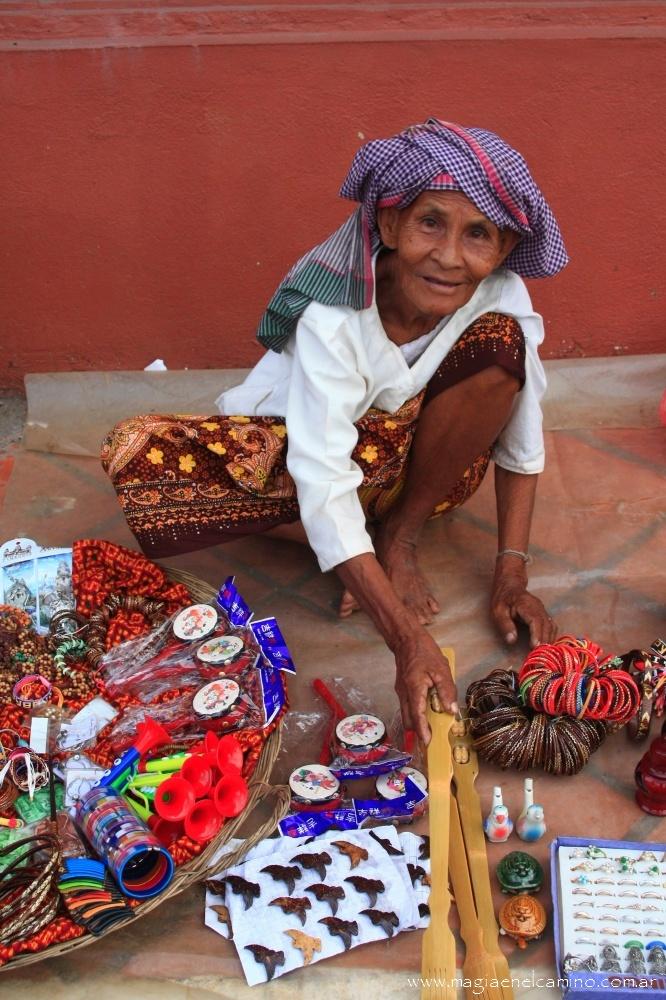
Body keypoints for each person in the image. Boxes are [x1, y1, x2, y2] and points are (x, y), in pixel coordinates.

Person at [102, 117, 568, 743]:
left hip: (425, 476)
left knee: (502, 349)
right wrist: (404, 635)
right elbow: (320, 478)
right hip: (306, 463)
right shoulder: (335, 312)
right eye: (430, 222)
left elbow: (521, 434)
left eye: (478, 234)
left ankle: (396, 538)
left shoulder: (501, 298)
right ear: (390, 223)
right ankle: (362, 548)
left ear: (504, 251)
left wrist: (513, 573)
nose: (449, 256)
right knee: (140, 453)